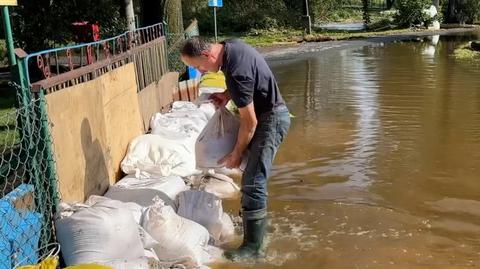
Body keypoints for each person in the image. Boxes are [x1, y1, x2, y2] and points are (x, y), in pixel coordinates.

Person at [181, 36, 290, 260]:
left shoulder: (236, 70)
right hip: (269, 116)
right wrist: (227, 94)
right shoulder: (231, 47)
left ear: (207, 55)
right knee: (253, 177)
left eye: (198, 67)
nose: (200, 72)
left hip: (270, 120)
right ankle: (260, 233)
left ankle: (253, 249)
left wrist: (235, 154)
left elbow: (250, 123)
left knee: (253, 181)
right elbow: (247, 82)